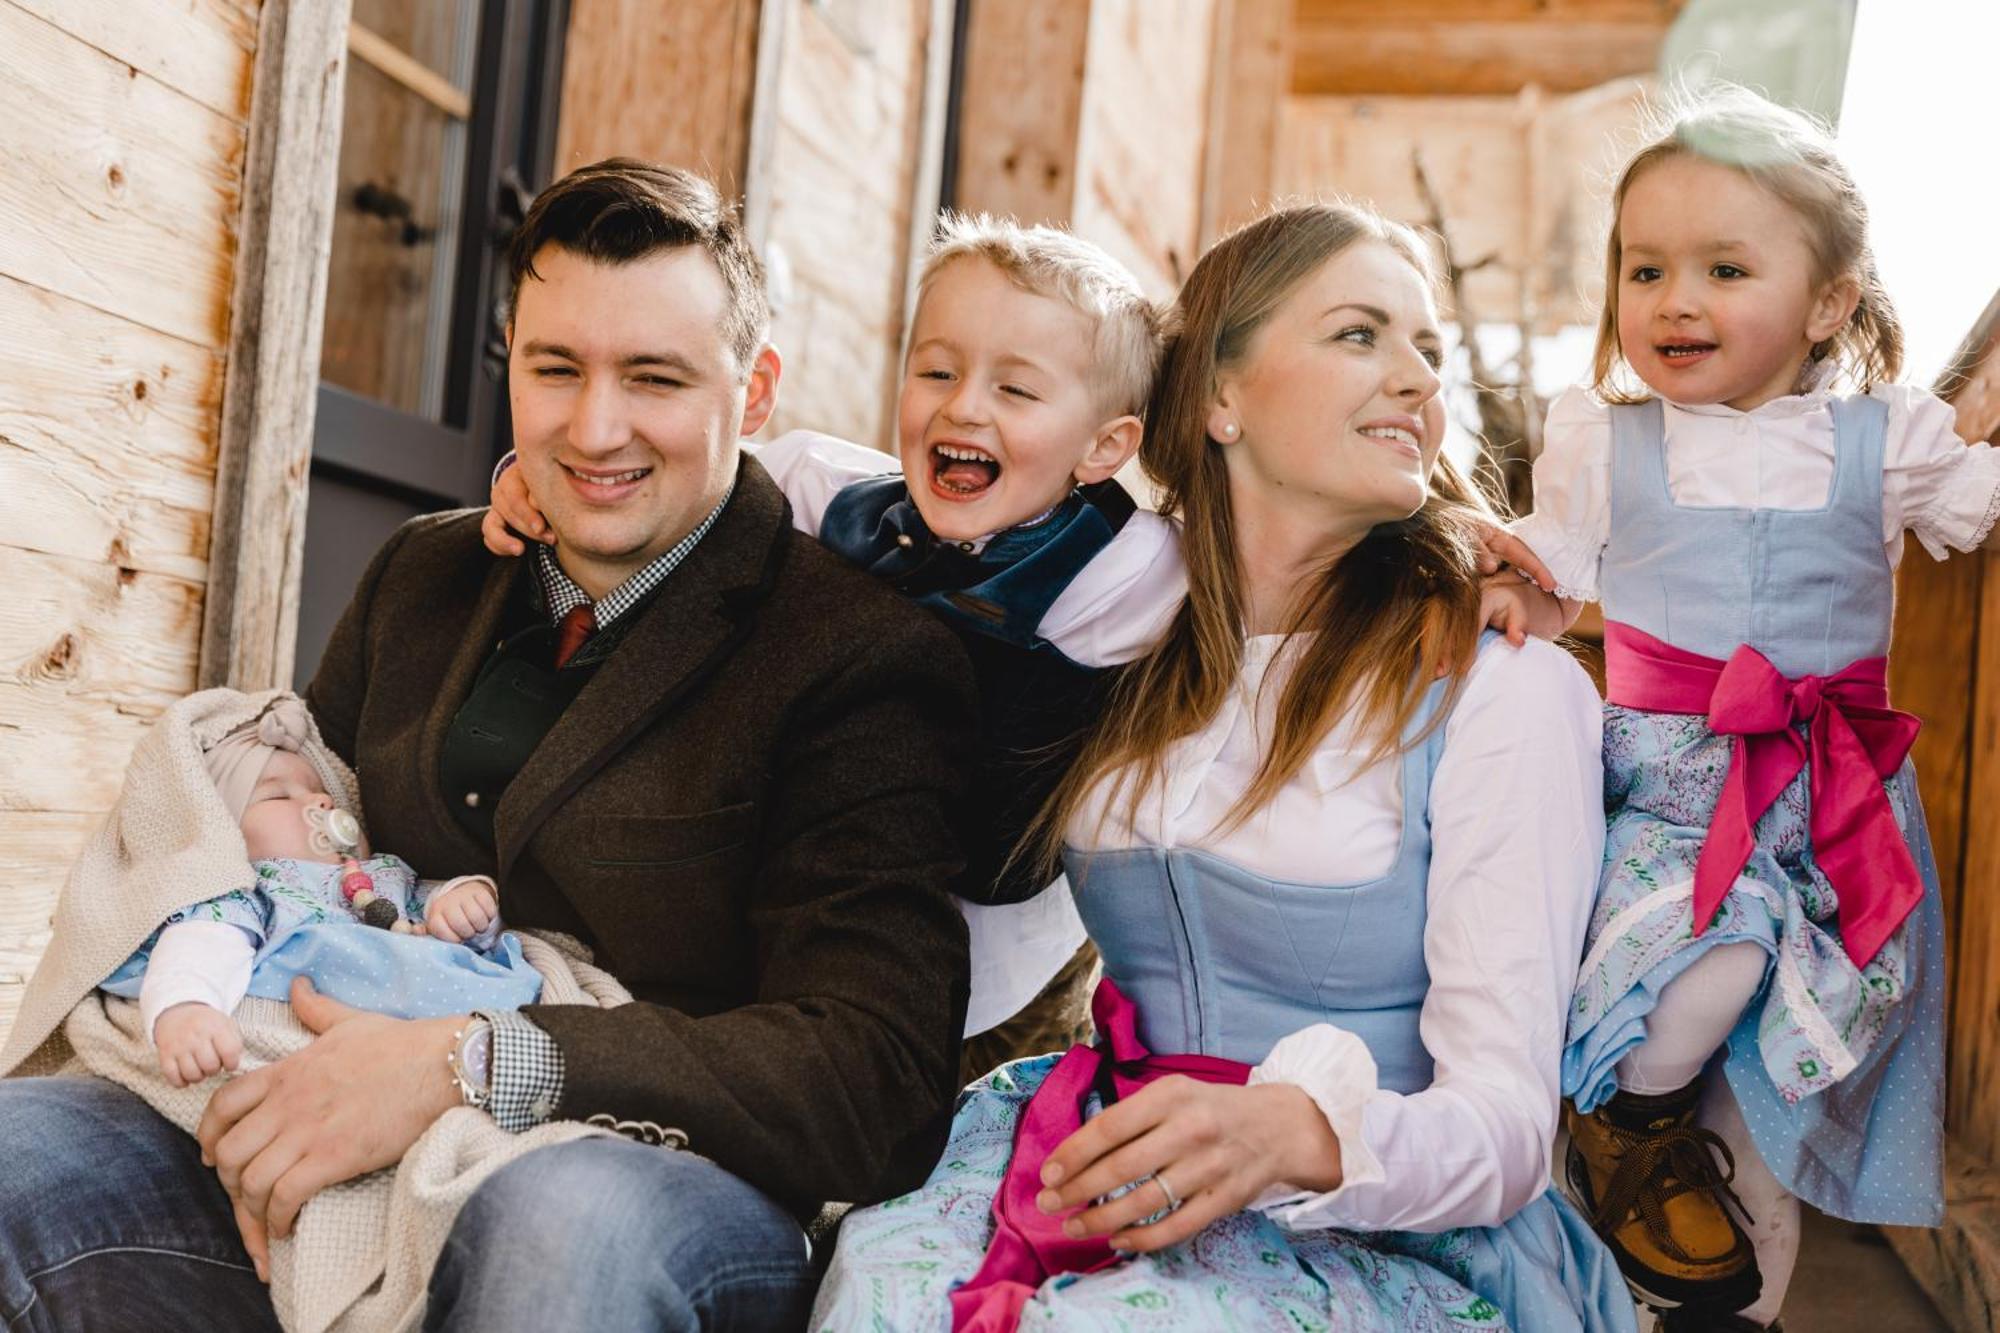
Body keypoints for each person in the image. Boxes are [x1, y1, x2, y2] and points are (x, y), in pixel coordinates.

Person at [0, 158, 975, 1332]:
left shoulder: (854, 654)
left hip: (643, 1183)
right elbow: (313, 848)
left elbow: (876, 1071)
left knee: (556, 1236)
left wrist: (467, 1060)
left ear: (754, 390)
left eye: (653, 377)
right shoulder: (425, 571)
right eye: (554, 368)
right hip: (319, 1123)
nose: (594, 426)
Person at [811, 200, 1637, 1331]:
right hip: (1091, 1148)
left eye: (1427, 351)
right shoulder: (1115, 637)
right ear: (1216, 397)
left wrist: (1295, 1130)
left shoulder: (1498, 682)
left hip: (1377, 1222)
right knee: (877, 1286)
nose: (1414, 380)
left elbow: (1504, 1131)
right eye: (1360, 334)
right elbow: (848, 499)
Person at [1487, 87, 1997, 1328]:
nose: (1674, 298)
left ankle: (1733, 1306)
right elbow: (1555, 571)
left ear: (1826, 301)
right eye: (1644, 267)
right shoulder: (1608, 441)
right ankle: (1617, 1114)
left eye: (1723, 268)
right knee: (1710, 959)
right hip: (1671, 795)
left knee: (1763, 1122)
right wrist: (1512, 597)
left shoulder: (1889, 441)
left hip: (1834, 807)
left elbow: (1977, 500)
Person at [485, 212, 1180, 1083]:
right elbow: (671, 483)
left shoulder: (1137, 570)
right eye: (936, 370)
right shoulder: (829, 497)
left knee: (967, 1168)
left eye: (1016, 391)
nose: (963, 405)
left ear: (1105, 445)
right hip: (818, 923)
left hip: (1007, 959)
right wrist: (533, 481)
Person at [102, 696, 537, 1090]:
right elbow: (201, 947)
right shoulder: (251, 893)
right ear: (223, 834)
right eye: (278, 796)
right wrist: (187, 1008)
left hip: (461, 1033)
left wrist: (465, 901)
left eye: (323, 793)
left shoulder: (386, 875)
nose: (322, 805)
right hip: (346, 1041)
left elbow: (439, 918)